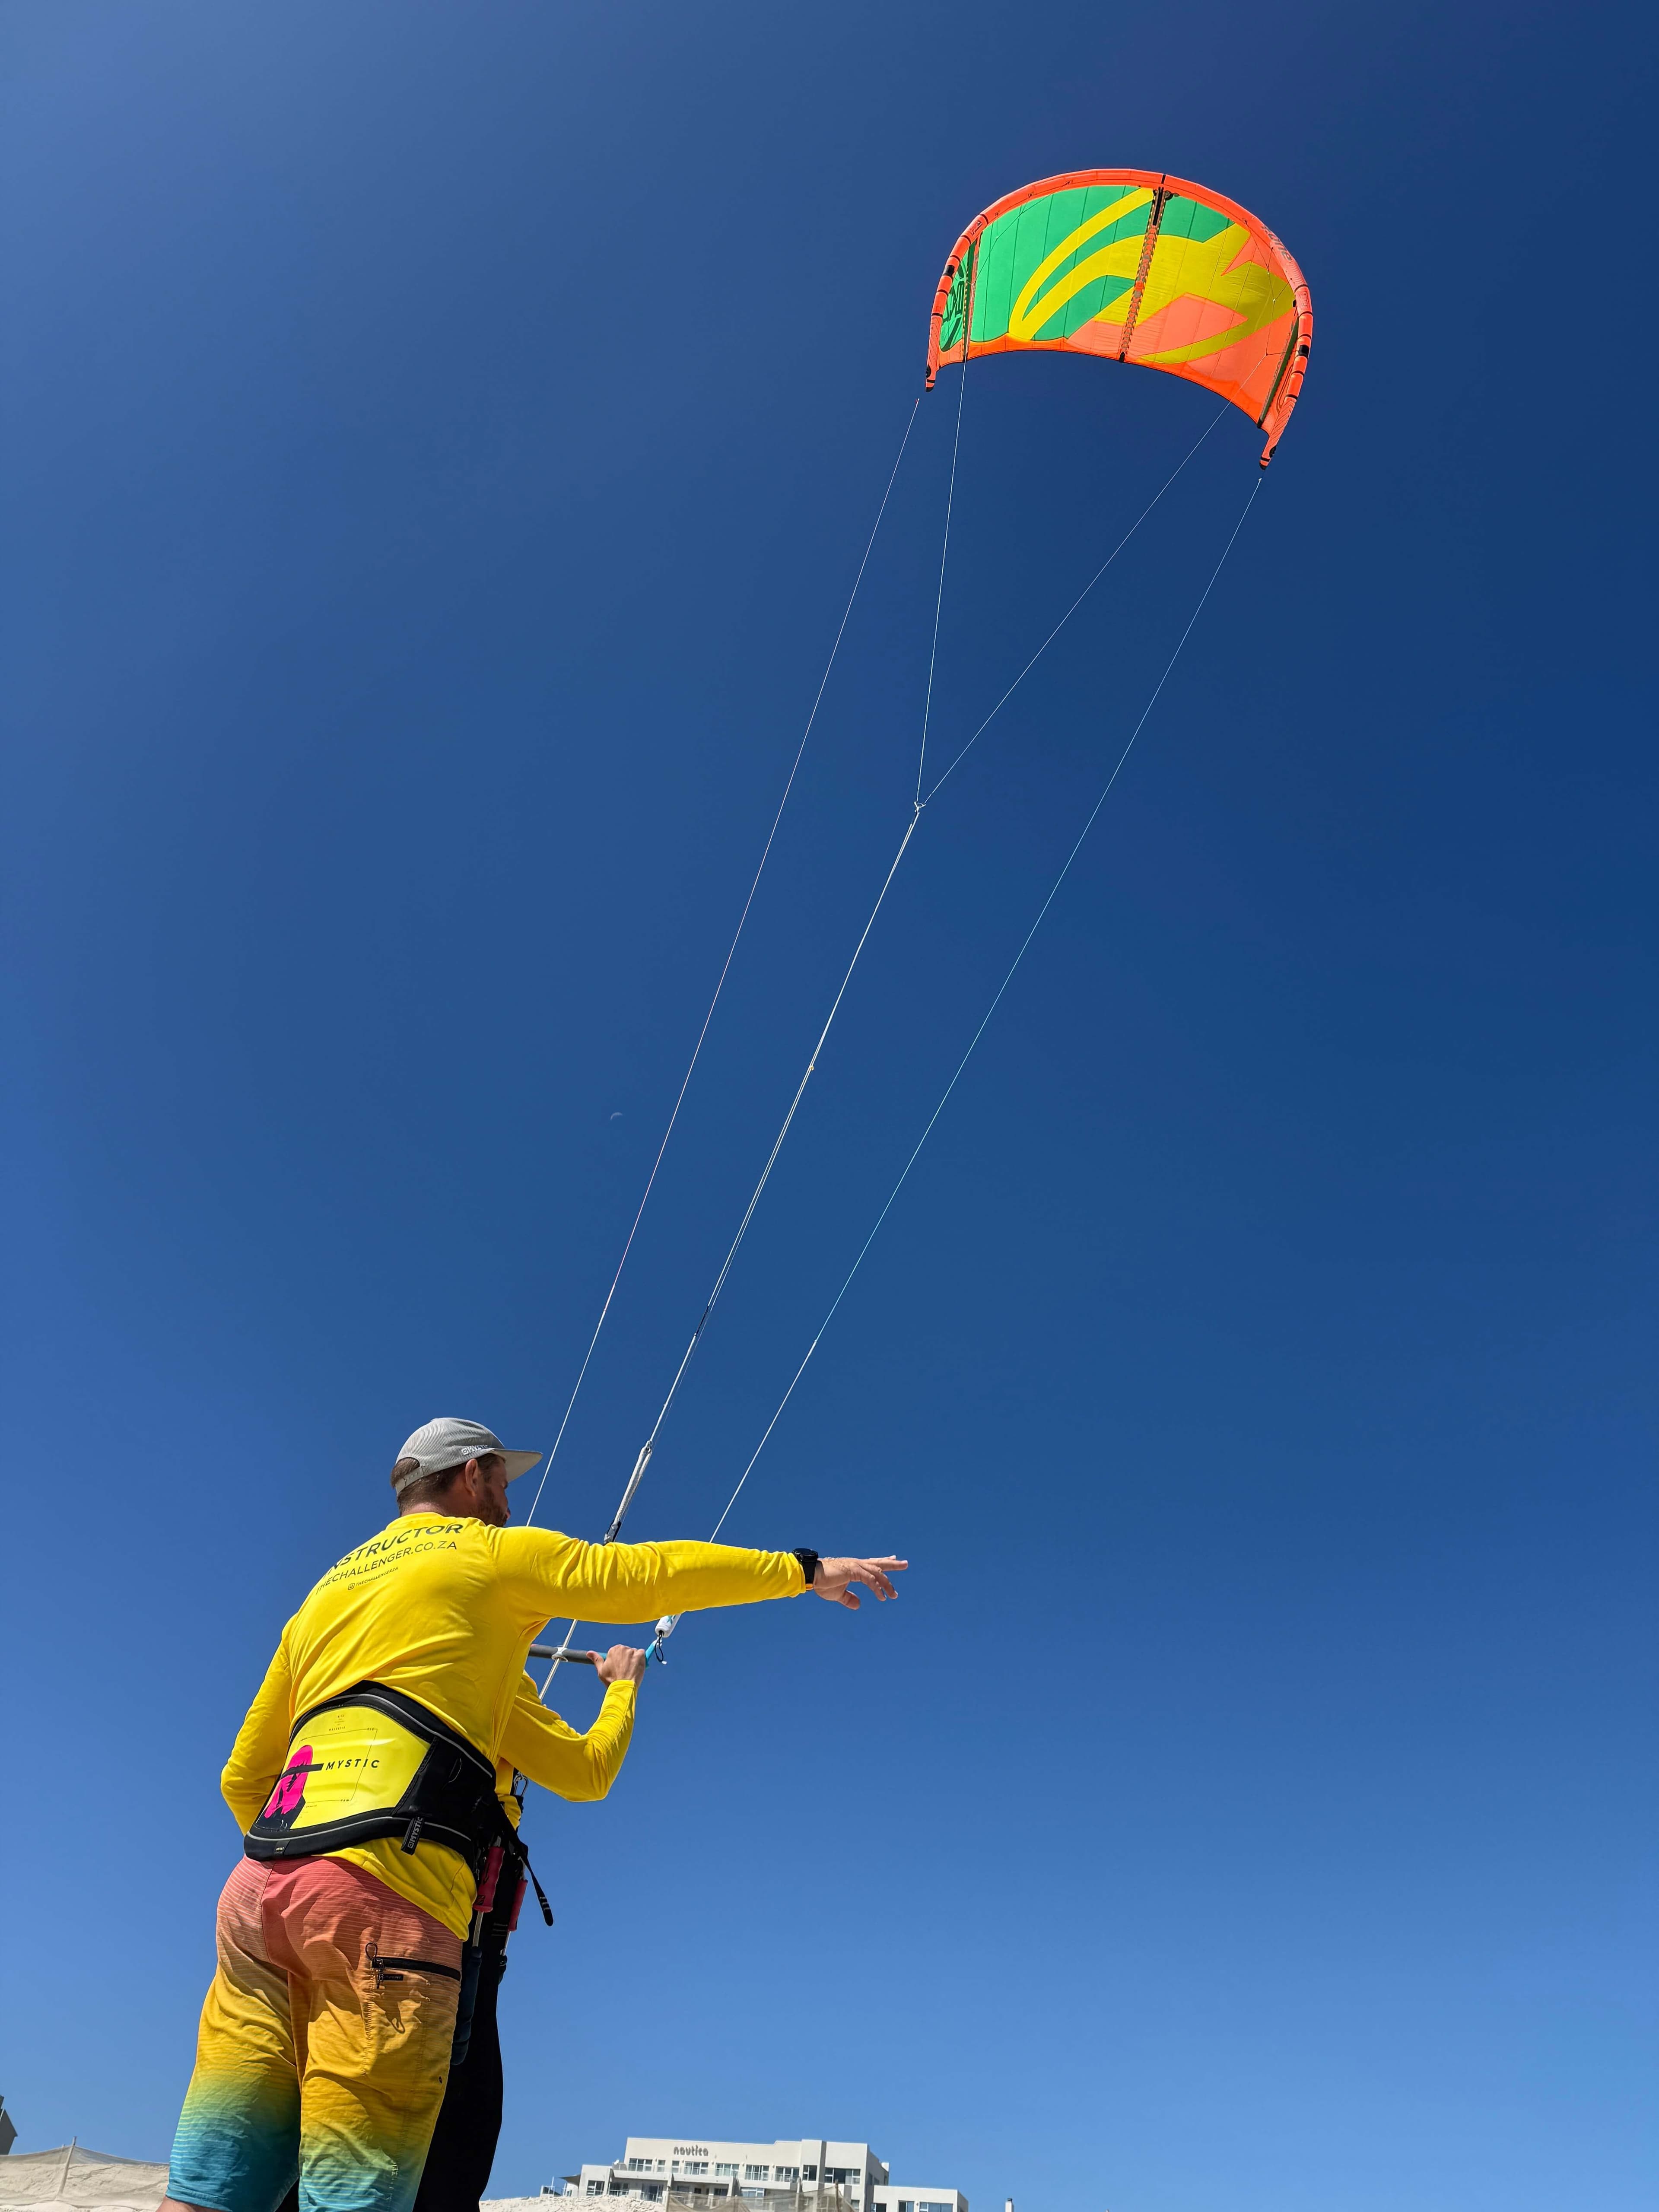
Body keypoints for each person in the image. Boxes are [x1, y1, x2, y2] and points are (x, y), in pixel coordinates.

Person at [162, 1416, 905, 2212]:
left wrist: (307, 1853)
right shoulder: (483, 1556)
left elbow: (243, 1774)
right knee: (358, 2195)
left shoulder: (326, 1594)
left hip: (257, 1894)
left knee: (207, 2192)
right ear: (474, 1476)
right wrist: (803, 1571)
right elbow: (637, 1585)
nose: (509, 1501)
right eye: (505, 1484)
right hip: (389, 1898)